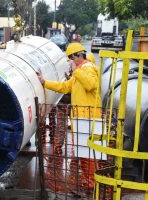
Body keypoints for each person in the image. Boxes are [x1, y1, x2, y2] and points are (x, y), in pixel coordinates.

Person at [38, 43, 102, 195]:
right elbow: (65, 87)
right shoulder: (80, 71)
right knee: (84, 154)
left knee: (89, 155)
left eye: (71, 58)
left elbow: (91, 84)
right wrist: (44, 82)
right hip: (82, 119)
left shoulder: (88, 68)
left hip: (89, 119)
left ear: (78, 56)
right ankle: (90, 183)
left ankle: (92, 184)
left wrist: (76, 71)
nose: (70, 62)